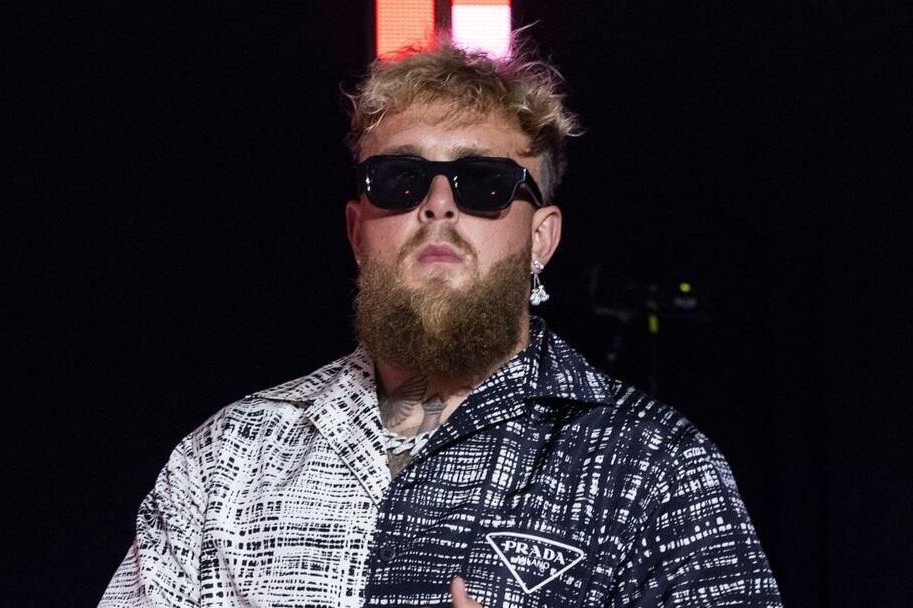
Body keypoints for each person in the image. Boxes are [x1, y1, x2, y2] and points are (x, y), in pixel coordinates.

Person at [99, 38, 782, 608]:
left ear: (541, 237)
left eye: (483, 182)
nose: (437, 203)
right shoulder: (227, 458)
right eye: (398, 179)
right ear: (356, 230)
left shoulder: (655, 467)